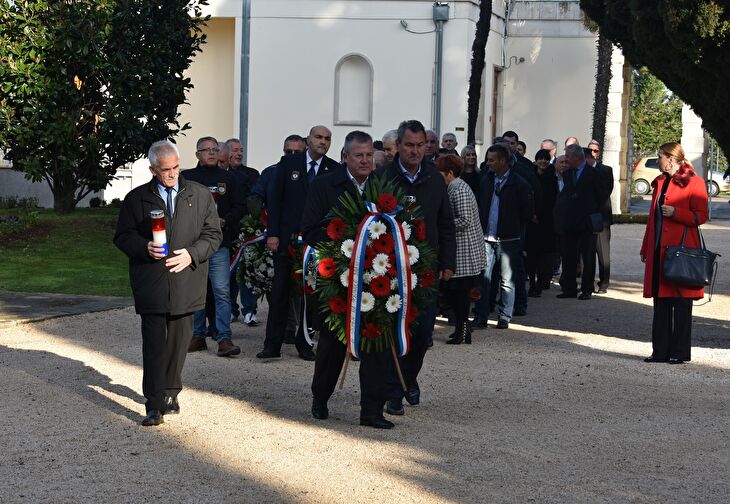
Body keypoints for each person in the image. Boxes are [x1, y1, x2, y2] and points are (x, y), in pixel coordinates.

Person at [114, 140, 222, 426]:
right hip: (152, 281)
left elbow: (214, 235)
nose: (173, 173)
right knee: (154, 345)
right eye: (166, 169)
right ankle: (153, 403)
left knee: (178, 342)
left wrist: (192, 254)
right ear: (152, 169)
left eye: (176, 167)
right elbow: (122, 236)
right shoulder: (136, 199)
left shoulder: (199, 195)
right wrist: (143, 247)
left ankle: (171, 392)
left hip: (186, 280)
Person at [301, 130, 393, 429]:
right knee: (332, 344)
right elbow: (310, 229)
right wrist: (344, 243)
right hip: (338, 278)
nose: (366, 160)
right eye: (359, 155)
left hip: (377, 278)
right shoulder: (324, 185)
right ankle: (320, 397)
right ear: (345, 157)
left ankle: (372, 410)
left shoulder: (383, 187)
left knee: (376, 344)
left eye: (369, 155)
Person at [378, 119, 456, 416]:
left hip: (426, 269)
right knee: (395, 332)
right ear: (398, 146)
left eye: (420, 145)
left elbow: (445, 222)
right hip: (389, 269)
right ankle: (394, 392)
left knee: (422, 333)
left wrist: (447, 262)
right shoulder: (383, 176)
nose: (414, 151)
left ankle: (408, 378)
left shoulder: (435, 179)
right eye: (409, 145)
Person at [258, 125, 342, 361]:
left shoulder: (333, 169)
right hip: (286, 241)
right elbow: (275, 200)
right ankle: (272, 345)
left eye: (327, 139)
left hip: (315, 245)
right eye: (318, 137)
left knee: (310, 294)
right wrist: (272, 234)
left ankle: (304, 343)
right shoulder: (289, 165)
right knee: (280, 293)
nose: (322, 142)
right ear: (308, 140)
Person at [640, 143, 708, 364]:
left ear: (670, 158)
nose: (657, 160)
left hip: (681, 251)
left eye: (659, 157)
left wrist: (676, 212)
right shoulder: (660, 182)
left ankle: (679, 352)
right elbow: (652, 220)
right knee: (660, 303)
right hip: (659, 249)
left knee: (680, 303)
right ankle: (659, 351)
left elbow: (701, 216)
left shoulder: (694, 182)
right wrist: (645, 247)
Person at [183, 137, 245, 356]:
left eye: (214, 149)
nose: (210, 153)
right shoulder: (187, 177)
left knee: (221, 291)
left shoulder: (228, 178)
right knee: (197, 291)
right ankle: (198, 335)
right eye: (205, 150)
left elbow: (240, 206)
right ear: (197, 154)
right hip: (195, 244)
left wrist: (225, 220)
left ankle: (223, 338)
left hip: (219, 244)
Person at [473, 144, 531, 330]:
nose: (488, 163)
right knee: (484, 279)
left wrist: (513, 228)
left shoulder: (519, 184)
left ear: (503, 161)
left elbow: (526, 212)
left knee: (507, 280)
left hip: (509, 239)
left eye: (491, 160)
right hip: (486, 237)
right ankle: (481, 315)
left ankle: (505, 315)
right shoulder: (486, 180)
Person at [435, 154, 486, 344]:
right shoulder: (455, 187)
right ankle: (461, 330)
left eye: (440, 173)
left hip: (465, 252)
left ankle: (463, 331)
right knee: (456, 295)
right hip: (461, 251)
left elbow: (465, 220)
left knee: (461, 296)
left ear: (449, 172)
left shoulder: (459, 189)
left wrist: (441, 225)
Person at [553, 143, 607, 300]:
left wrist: (590, 209)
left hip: (586, 221)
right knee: (568, 256)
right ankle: (569, 288)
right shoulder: (568, 173)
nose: (566, 159)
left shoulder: (594, 173)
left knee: (588, 257)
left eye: (568, 156)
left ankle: (586, 289)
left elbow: (601, 195)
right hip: (569, 221)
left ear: (576, 157)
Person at [525, 149, 558, 296]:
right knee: (532, 254)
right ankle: (532, 282)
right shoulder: (530, 175)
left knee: (545, 255)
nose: (543, 161)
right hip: (532, 221)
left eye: (546, 159)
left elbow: (552, 199)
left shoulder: (552, 177)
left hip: (547, 221)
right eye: (540, 158)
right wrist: (531, 213)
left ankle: (541, 282)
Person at [587, 140, 614, 293]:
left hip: (601, 217)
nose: (593, 153)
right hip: (585, 217)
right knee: (586, 253)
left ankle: (604, 283)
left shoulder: (606, 170)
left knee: (603, 253)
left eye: (596, 151)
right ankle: (587, 283)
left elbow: (606, 192)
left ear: (599, 153)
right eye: (590, 150)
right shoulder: (581, 170)